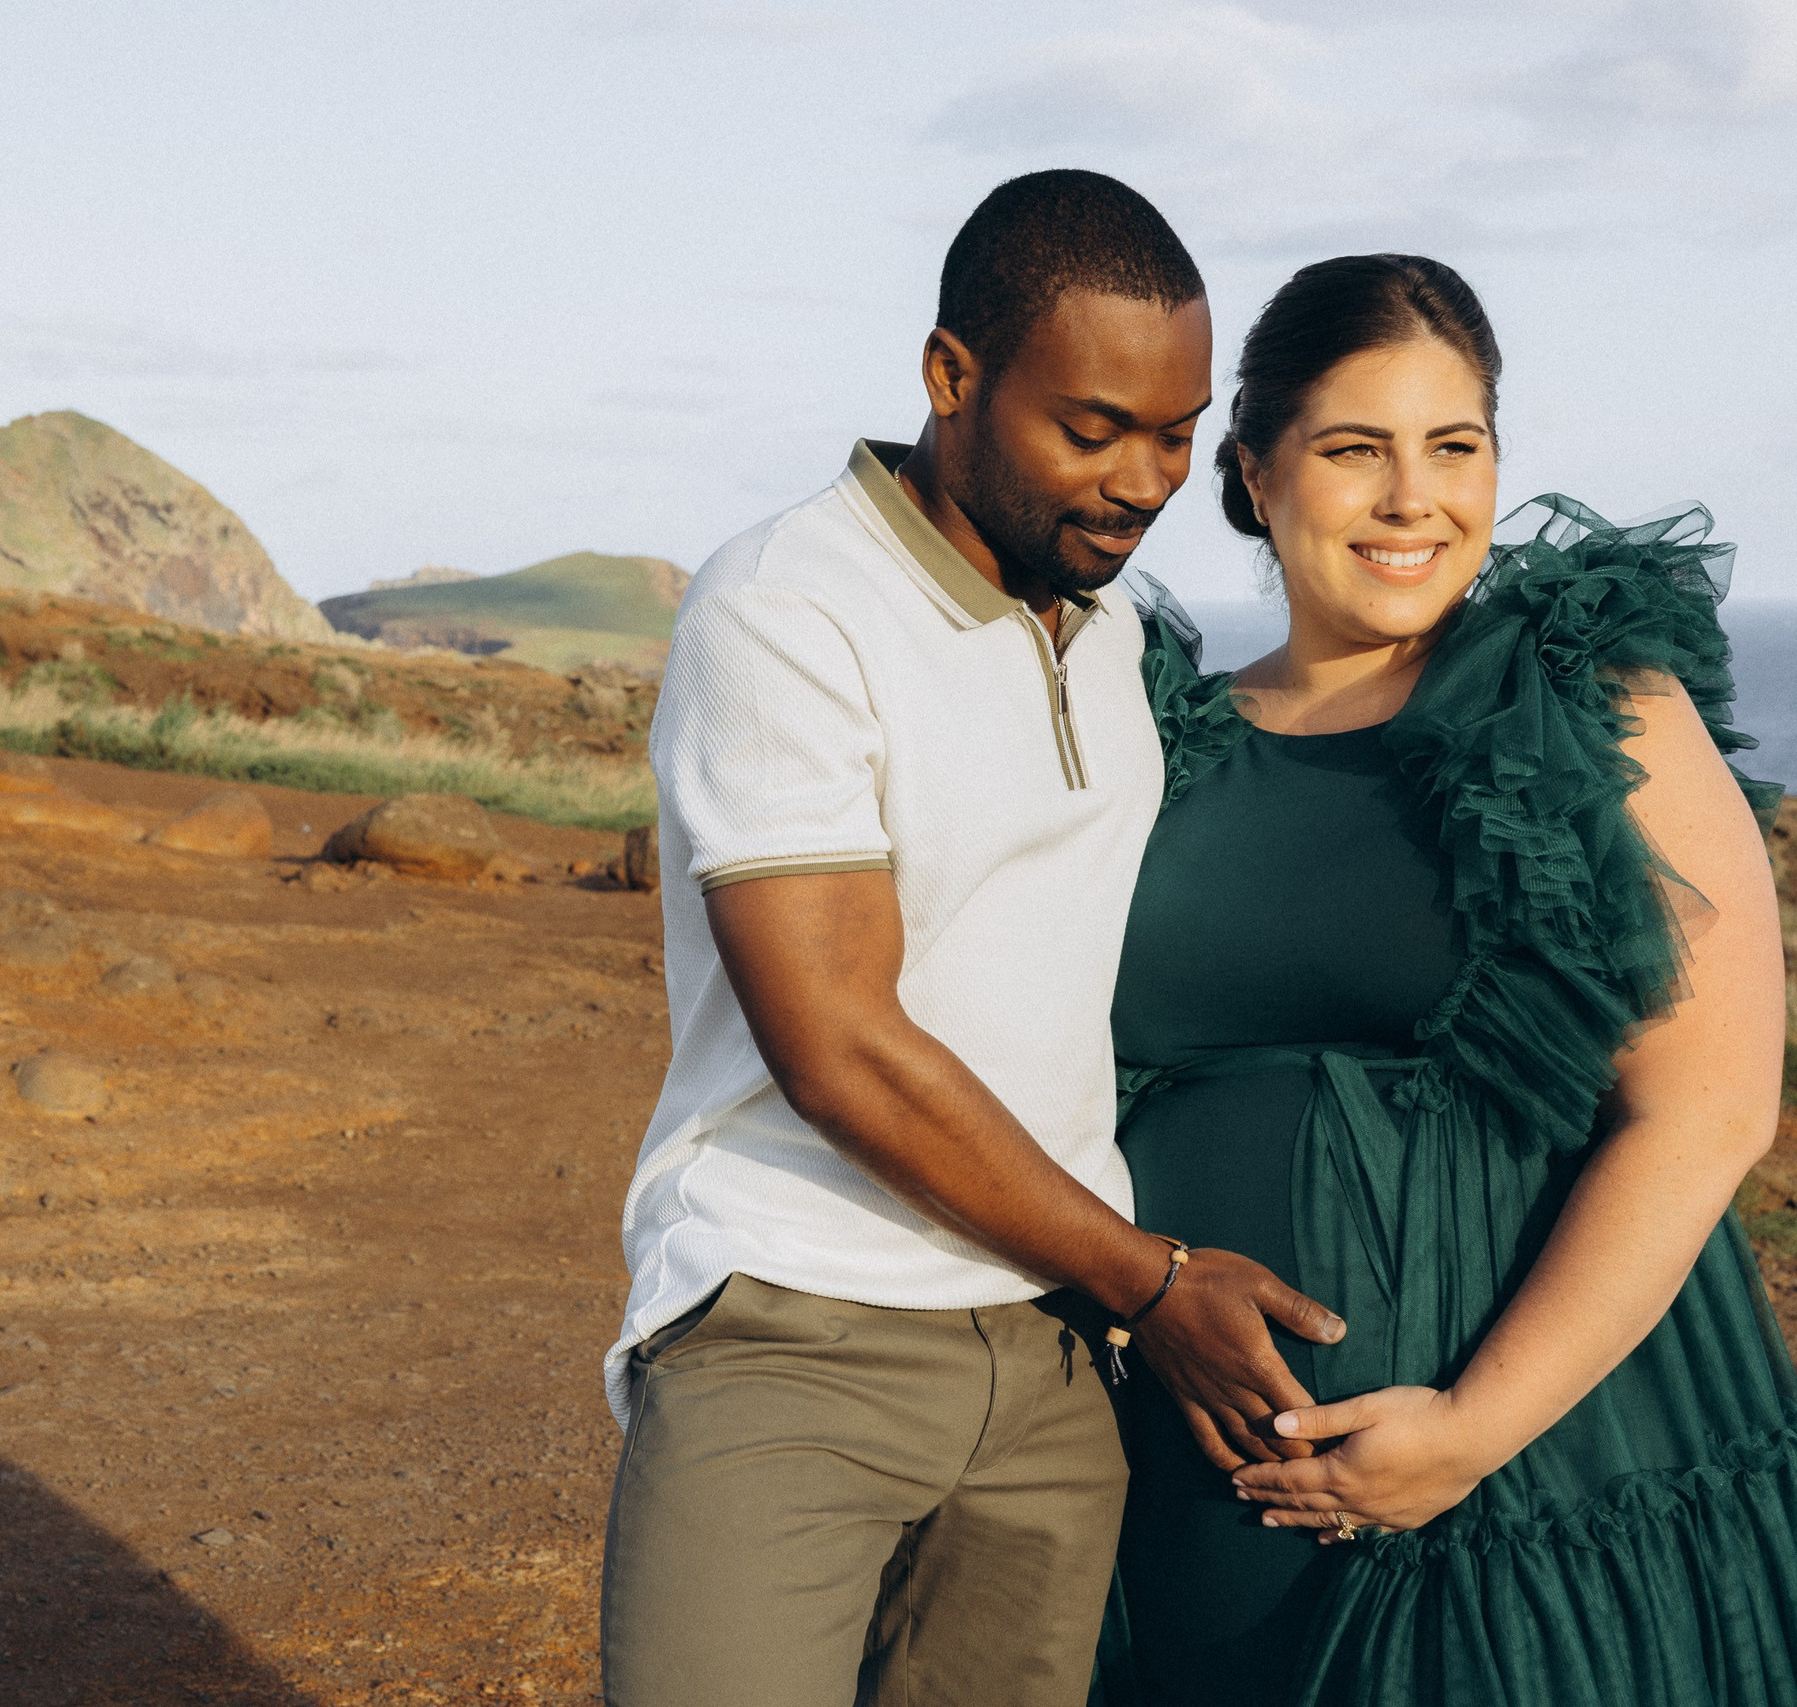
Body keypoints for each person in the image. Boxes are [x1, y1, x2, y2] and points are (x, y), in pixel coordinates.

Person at [600, 169, 1345, 1707]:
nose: (1141, 480)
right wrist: (1152, 1281)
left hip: (1055, 1360)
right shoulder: (787, 607)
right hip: (796, 1324)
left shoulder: (1116, 629)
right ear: (951, 376)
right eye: (1093, 428)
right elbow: (840, 1048)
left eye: (1175, 433)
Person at [1104, 253, 1797, 1706]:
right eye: (1357, 450)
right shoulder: (1156, 739)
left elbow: (1710, 1109)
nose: (1415, 498)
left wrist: (1472, 1430)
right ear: (1255, 472)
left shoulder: (1589, 701)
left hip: (1528, 1479)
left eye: (1455, 446)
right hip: (1180, 1483)